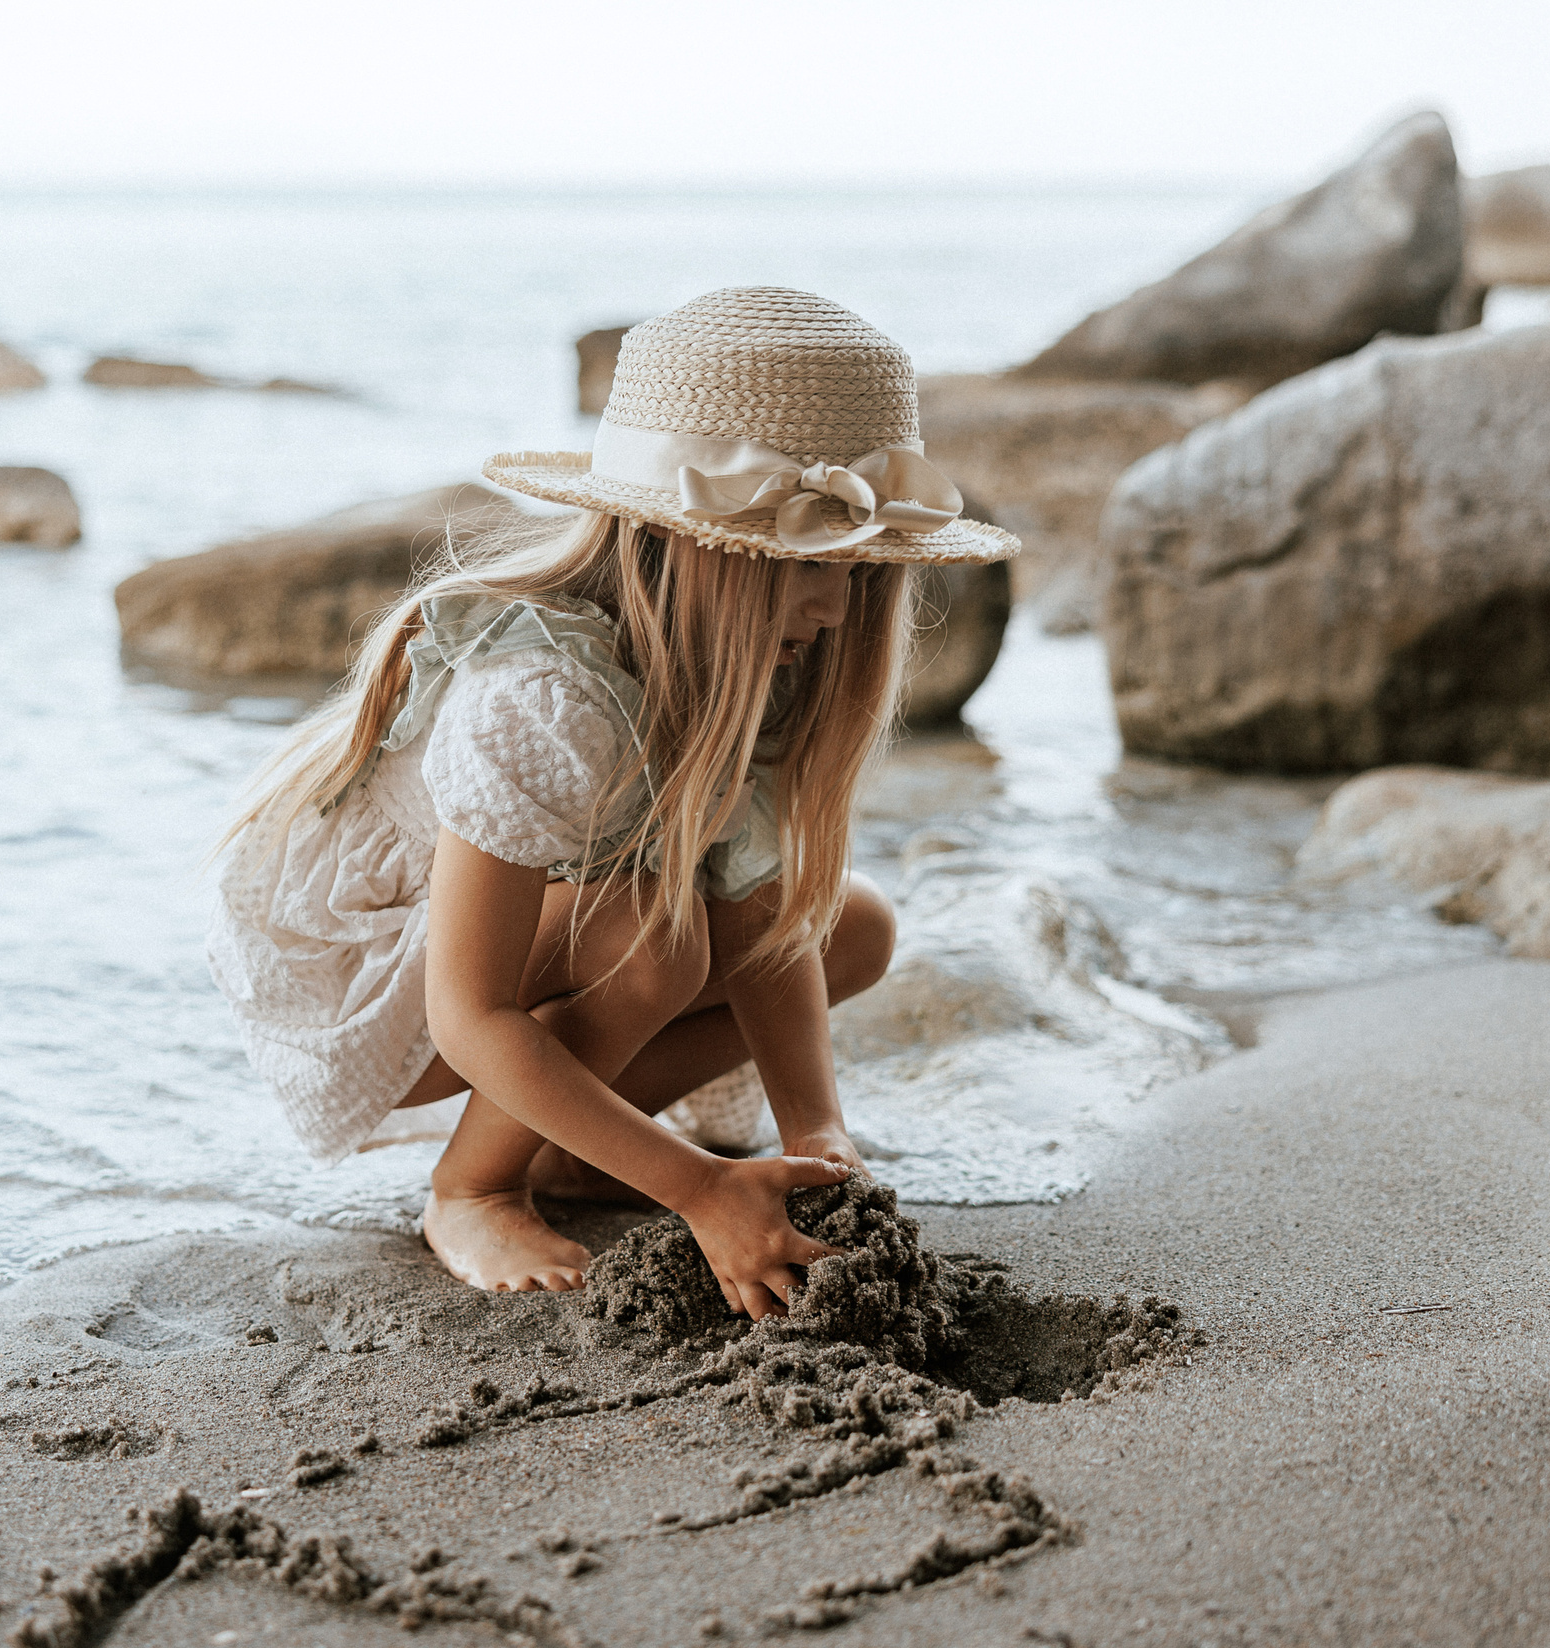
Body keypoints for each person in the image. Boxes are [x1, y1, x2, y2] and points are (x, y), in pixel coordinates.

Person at [207, 287, 1017, 1321]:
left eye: (858, 574)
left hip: (491, 951)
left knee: (848, 928)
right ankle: (474, 1187)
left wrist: (818, 1130)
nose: (830, 609)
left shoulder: (745, 667)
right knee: (654, 941)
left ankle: (565, 1151)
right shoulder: (542, 701)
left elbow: (767, 914)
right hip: (351, 966)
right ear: (686, 545)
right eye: (804, 569)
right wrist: (699, 1190)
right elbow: (470, 1012)